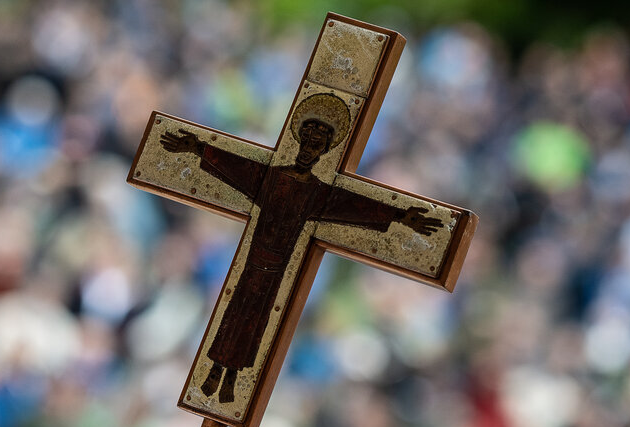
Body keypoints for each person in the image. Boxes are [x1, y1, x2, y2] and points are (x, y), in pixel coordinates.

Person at [160, 93, 443, 403]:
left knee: (260, 333)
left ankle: (233, 386)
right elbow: (235, 168)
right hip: (250, 262)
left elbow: (358, 209)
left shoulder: (321, 194)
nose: (310, 145)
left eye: (319, 141)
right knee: (231, 320)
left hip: (282, 275)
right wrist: (198, 147)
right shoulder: (273, 175)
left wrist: (401, 216)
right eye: (306, 136)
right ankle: (211, 376)